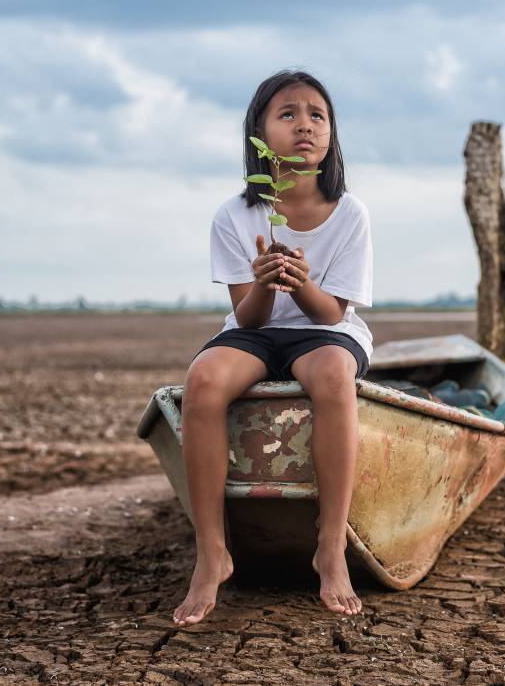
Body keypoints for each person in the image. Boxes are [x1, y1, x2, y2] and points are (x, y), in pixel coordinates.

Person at [172, 69, 373, 626]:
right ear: (258, 135)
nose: (304, 125)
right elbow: (247, 316)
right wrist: (264, 280)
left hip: (324, 330)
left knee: (333, 375)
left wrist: (300, 278)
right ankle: (212, 550)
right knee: (205, 380)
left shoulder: (350, 214)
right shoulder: (236, 215)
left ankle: (330, 546)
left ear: (330, 136)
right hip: (257, 330)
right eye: (287, 114)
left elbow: (332, 313)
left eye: (317, 115)